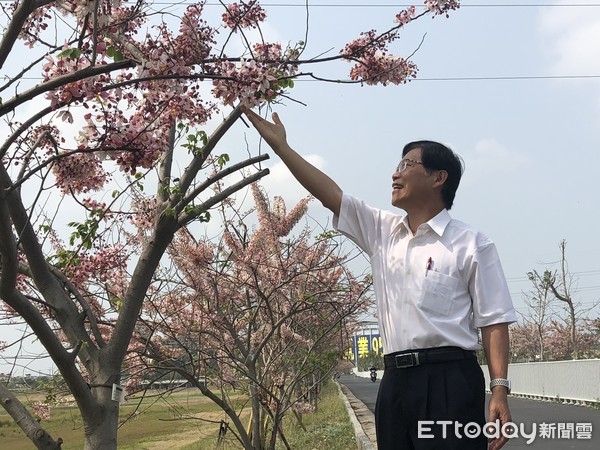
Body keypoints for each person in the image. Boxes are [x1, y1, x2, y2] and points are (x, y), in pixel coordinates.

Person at [242, 107, 516, 450]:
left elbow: (494, 320)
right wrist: (282, 147)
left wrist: (499, 390)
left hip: (450, 379)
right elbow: (330, 194)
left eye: (406, 165)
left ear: (438, 177)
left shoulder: (472, 243)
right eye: (397, 165)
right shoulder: (383, 231)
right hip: (395, 380)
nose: (395, 173)